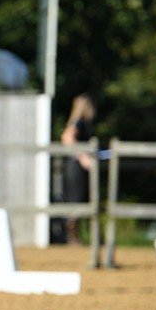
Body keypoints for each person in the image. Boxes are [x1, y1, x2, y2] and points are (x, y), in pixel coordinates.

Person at [60, 94, 96, 244]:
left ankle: (76, 236)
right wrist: (83, 157)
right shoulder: (78, 122)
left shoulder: (80, 122)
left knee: (80, 199)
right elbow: (67, 138)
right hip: (76, 166)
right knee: (76, 199)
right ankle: (72, 237)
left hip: (75, 166)